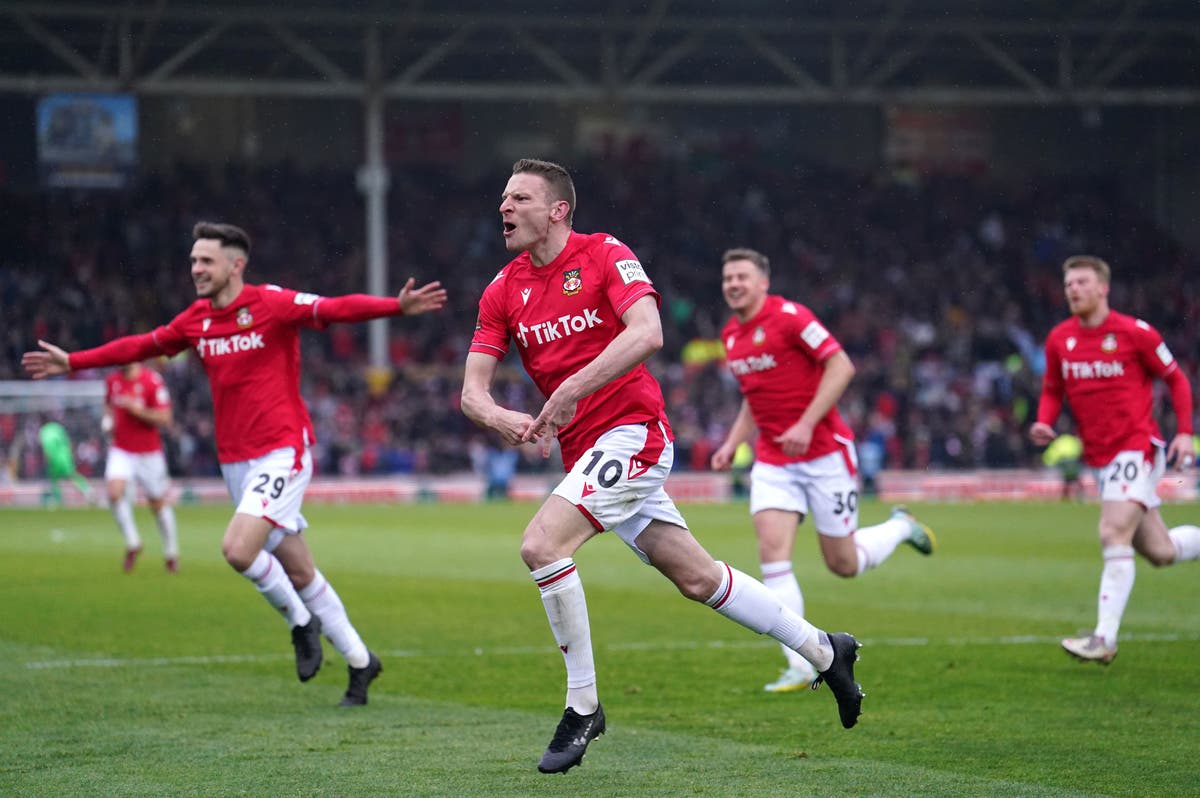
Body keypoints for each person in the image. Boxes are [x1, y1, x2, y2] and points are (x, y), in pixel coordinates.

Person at [461, 159, 864, 775]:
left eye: (519, 198)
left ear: (558, 210)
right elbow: (472, 393)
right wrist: (501, 418)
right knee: (699, 580)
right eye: (503, 198)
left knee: (542, 545)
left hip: (634, 434)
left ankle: (583, 706)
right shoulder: (502, 289)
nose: (504, 209)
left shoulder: (604, 255)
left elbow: (648, 332)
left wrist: (569, 388)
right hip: (587, 452)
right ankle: (824, 650)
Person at [25, 221, 447, 706]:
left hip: (283, 450)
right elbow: (142, 345)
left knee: (236, 550)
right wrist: (74, 361)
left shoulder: (271, 304)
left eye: (205, 261)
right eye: (192, 261)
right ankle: (359, 661)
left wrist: (397, 306)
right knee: (301, 571)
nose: (196, 269)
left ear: (235, 265)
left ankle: (301, 623)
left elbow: (333, 310)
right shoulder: (196, 319)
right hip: (235, 462)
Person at [709, 248, 935, 693]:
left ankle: (900, 526)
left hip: (824, 453)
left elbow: (841, 365)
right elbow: (754, 398)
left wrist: (806, 423)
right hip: (774, 459)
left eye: (741, 277)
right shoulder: (732, 334)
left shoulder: (791, 317)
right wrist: (733, 442)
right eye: (727, 278)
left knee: (843, 564)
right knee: (772, 553)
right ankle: (800, 661)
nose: (733, 284)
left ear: (763, 283)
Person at [1029, 255, 1200, 665]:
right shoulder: (1060, 339)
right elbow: (1053, 388)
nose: (1073, 289)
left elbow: (1175, 378)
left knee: (1111, 532)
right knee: (1159, 551)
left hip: (1136, 446)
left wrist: (1183, 432)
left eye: (1082, 282)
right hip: (1101, 457)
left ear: (1103, 287)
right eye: (1069, 283)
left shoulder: (1134, 332)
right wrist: (1043, 420)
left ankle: (1103, 639)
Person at [102, 360, 180, 573]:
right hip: (121, 449)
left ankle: (171, 553)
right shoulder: (112, 380)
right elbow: (108, 404)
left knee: (157, 503)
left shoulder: (152, 381)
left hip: (148, 452)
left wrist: (137, 410)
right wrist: (107, 420)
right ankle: (133, 542)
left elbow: (165, 417)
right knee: (114, 493)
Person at [38, 419, 96, 507]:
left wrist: (47, 459)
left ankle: (57, 498)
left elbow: (46, 446)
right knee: (72, 475)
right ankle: (87, 490)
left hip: (54, 457)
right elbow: (67, 441)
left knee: (54, 479)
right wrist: (70, 454)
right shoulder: (58, 428)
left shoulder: (44, 431)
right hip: (65, 456)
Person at [1041, 430, 1083, 501]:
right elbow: (1079, 449)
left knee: (1069, 479)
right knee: (1074, 479)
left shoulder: (1059, 441)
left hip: (1063, 461)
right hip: (1072, 460)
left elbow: (1053, 453)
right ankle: (1079, 496)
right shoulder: (1072, 440)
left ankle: (1067, 497)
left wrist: (1047, 462)